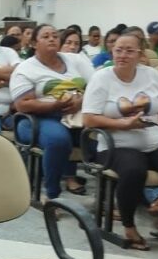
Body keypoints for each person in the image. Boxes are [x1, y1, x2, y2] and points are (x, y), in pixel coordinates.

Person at [82, 32, 158, 250]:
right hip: (116, 143)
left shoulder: (151, 75)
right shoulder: (102, 77)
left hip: (154, 141)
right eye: (118, 50)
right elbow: (88, 119)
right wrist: (123, 124)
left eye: (129, 51)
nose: (122, 55)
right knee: (135, 170)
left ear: (140, 54)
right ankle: (129, 226)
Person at [12, 24, 96, 199]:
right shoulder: (26, 69)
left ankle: (109, 199)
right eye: (46, 36)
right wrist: (55, 106)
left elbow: (96, 87)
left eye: (55, 36)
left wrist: (80, 102)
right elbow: (22, 105)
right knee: (58, 140)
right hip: (39, 118)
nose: (52, 39)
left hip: (76, 115)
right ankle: (52, 195)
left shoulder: (75, 60)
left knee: (105, 140)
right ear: (34, 43)